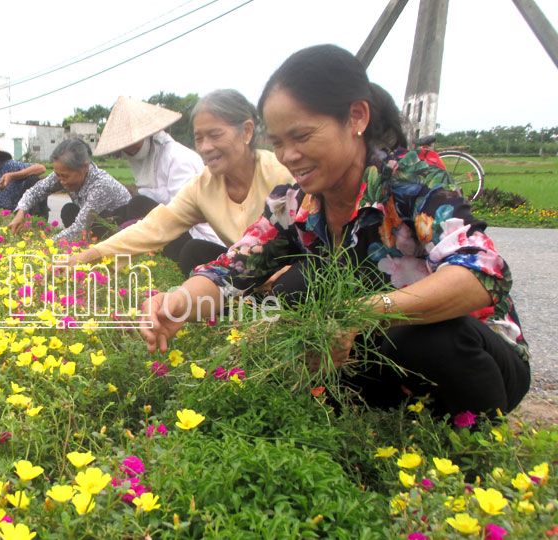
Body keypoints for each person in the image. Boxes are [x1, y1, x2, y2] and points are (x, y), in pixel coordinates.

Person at [139, 44, 529, 418]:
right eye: (277, 142)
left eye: (302, 136)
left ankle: (471, 433)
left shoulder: (411, 181)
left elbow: (481, 275)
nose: (289, 155)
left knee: (421, 336)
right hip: (378, 350)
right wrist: (177, 302)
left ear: (356, 117)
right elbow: (231, 268)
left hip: (474, 354)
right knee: (293, 288)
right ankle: (385, 415)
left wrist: (360, 314)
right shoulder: (294, 204)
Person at [69, 90, 294, 274]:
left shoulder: (282, 175)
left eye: (215, 135)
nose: (205, 147)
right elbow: (154, 227)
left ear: (246, 132)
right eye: (199, 138)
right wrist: (87, 256)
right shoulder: (203, 187)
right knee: (194, 255)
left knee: (293, 282)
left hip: (287, 268)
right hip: (243, 267)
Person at [93, 96, 223, 255]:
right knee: (131, 206)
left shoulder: (177, 157)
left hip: (193, 234)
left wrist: (137, 228)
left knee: (138, 204)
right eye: (125, 145)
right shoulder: (145, 159)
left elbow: (183, 214)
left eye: (135, 141)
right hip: (162, 228)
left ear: (148, 134)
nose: (131, 148)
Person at [10, 139, 131, 243]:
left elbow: (80, 227)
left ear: (84, 167)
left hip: (120, 228)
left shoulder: (101, 185)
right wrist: (21, 212)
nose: (61, 181)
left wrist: (45, 244)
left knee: (80, 222)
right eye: (58, 175)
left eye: (65, 176)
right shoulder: (62, 174)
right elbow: (35, 191)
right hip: (92, 221)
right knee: (69, 210)